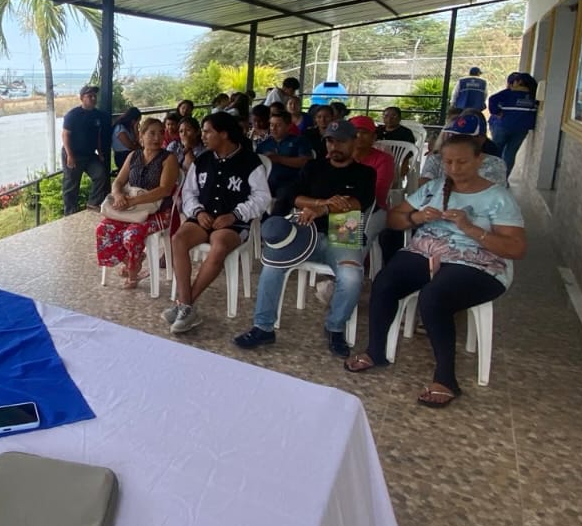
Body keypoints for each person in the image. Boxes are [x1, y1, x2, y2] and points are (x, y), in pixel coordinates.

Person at [344, 134, 527, 408]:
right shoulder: (434, 188)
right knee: (385, 282)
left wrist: (470, 228)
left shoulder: (498, 197)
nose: (454, 168)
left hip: (478, 263)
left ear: (479, 160)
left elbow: (516, 248)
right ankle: (375, 351)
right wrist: (416, 217)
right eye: (448, 162)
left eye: (462, 162)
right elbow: (394, 219)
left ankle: (446, 379)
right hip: (426, 252)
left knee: (433, 297)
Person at [235, 120, 375, 356]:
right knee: (272, 265)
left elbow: (356, 203)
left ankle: (335, 327)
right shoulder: (313, 167)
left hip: (344, 228)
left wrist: (323, 209)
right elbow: (292, 196)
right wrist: (323, 203)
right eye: (330, 141)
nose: (334, 146)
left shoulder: (365, 173)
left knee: (352, 277)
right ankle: (263, 327)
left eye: (341, 141)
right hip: (305, 228)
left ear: (354, 142)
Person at [162, 114, 270, 335]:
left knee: (219, 245)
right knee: (178, 239)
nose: (203, 135)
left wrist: (235, 215)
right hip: (203, 217)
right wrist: (198, 211)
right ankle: (186, 305)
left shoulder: (250, 162)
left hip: (234, 222)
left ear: (223, 134)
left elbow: (262, 198)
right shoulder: (202, 160)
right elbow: (189, 193)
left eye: (207, 131)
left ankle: (184, 305)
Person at [95, 119, 179, 288]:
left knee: (132, 235)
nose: (157, 138)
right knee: (103, 229)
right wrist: (118, 195)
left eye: (161, 133)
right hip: (131, 210)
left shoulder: (168, 158)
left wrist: (132, 201)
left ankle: (132, 274)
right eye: (152, 133)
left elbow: (164, 190)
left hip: (158, 211)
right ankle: (133, 261)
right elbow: (118, 182)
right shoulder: (133, 156)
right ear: (141, 135)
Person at [61, 85, 112, 215]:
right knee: (71, 185)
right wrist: (69, 155)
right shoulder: (72, 115)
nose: (93, 98)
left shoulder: (98, 115)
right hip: (73, 154)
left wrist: (100, 152)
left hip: (89, 155)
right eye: (90, 96)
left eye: (95, 96)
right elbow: (65, 135)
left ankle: (93, 204)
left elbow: (98, 135)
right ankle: (70, 213)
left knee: (100, 174)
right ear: (82, 98)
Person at [255, 111, 312, 215]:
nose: (273, 128)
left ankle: (274, 221)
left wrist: (279, 159)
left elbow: (305, 161)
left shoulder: (299, 141)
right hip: (266, 182)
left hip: (290, 181)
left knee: (284, 194)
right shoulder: (263, 144)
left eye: (278, 125)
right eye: (271, 125)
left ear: (288, 126)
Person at [487, 73, 539, 176]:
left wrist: (497, 112)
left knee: (495, 151)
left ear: (519, 82)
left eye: (513, 82)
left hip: (504, 126)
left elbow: (492, 99)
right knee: (510, 154)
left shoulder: (509, 93)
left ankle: (490, 177)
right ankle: (503, 178)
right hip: (521, 130)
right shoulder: (533, 96)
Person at [350, 116, 396, 209]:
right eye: (355, 132)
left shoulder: (384, 159)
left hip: (371, 209)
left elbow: (379, 193)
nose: (359, 136)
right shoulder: (339, 156)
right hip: (337, 207)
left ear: (374, 137)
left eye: (364, 133)